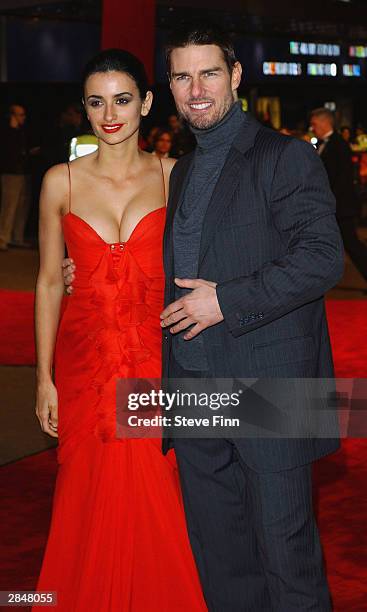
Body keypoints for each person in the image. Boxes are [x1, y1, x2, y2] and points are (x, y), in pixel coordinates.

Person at [63, 25, 344, 611]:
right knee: (223, 561)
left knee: (287, 561)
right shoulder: (182, 171)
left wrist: (228, 300)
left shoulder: (283, 156)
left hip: (272, 385)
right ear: (168, 87)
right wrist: (84, 272)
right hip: (191, 387)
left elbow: (322, 258)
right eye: (183, 76)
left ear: (235, 77)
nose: (196, 89)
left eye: (209, 73)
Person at [33, 48, 206, 612]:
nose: (110, 113)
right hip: (84, 362)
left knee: (157, 493)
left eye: (123, 99)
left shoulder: (176, 175)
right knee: (86, 493)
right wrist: (43, 377)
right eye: (97, 101)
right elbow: (48, 283)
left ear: (148, 104)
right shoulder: (59, 181)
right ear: (83, 108)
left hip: (155, 358)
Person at [311, 107, 367, 285]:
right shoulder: (324, 144)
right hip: (332, 205)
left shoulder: (338, 145)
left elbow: (339, 179)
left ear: (324, 122)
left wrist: (326, 202)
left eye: (314, 124)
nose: (312, 128)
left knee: (351, 244)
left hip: (340, 206)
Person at [0, 104, 32, 250]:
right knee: (9, 206)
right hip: (11, 173)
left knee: (21, 206)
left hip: (23, 172)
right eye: (20, 115)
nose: (23, 118)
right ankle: (3, 238)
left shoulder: (21, 131)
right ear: (12, 116)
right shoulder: (7, 132)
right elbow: (9, 151)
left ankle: (16, 237)